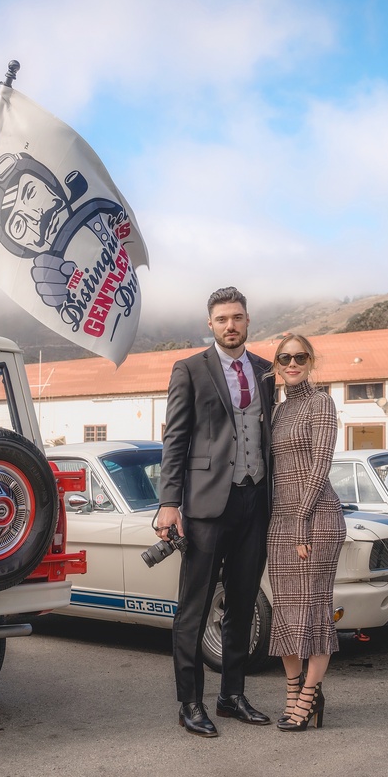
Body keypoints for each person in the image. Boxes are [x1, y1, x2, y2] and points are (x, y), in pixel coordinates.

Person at [155, 287, 275, 738]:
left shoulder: (265, 371)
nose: (231, 325)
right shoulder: (189, 369)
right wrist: (169, 502)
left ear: (248, 321)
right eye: (222, 318)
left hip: (255, 500)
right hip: (206, 504)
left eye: (238, 317)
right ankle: (190, 703)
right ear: (211, 323)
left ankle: (231, 696)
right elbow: (176, 440)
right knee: (195, 607)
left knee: (241, 604)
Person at [266, 334, 345, 731]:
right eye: (285, 357)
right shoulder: (278, 412)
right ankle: (294, 692)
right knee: (286, 613)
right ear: (276, 364)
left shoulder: (322, 404)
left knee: (313, 613)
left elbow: (320, 466)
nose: (292, 363)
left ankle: (309, 697)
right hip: (280, 523)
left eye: (300, 357)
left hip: (316, 520)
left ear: (311, 362)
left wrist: (300, 520)